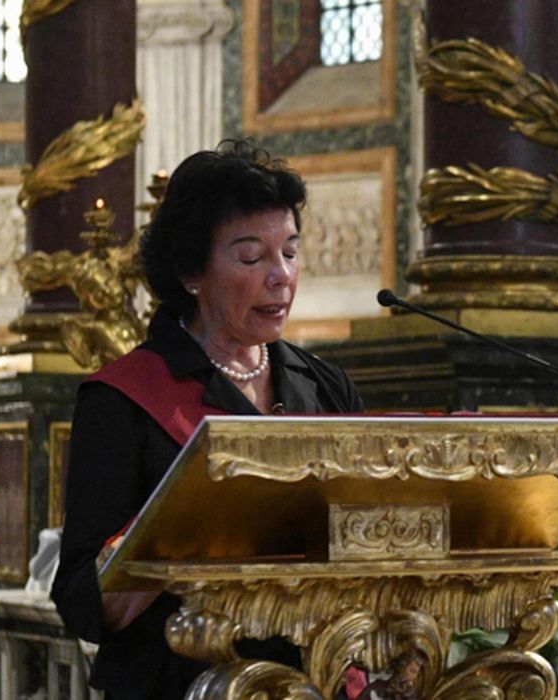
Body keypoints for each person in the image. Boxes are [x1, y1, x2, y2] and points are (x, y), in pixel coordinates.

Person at [51, 140, 364, 699]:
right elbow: (80, 600)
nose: (281, 276)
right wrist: (170, 540)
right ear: (190, 271)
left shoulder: (326, 386)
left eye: (290, 252)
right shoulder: (124, 399)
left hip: (314, 677)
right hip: (179, 682)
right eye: (251, 258)